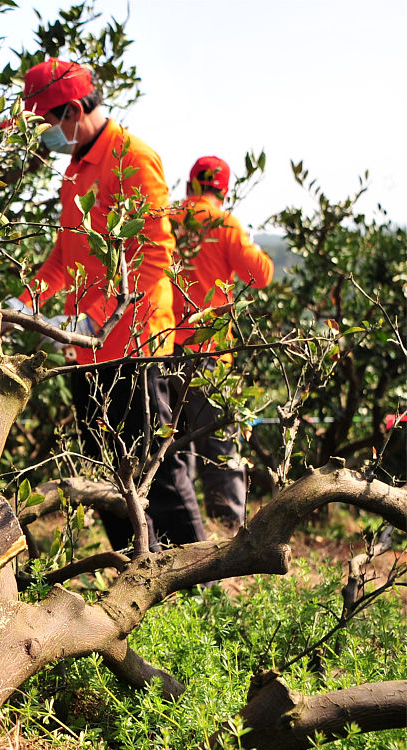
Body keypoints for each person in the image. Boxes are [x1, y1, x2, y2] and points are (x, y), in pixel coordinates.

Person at [18, 58, 205, 551]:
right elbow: (64, 253)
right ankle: (135, 567)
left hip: (134, 342)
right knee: (106, 466)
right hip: (91, 348)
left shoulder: (132, 157)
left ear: (74, 110)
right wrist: (24, 302)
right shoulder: (75, 170)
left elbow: (154, 254)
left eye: (44, 124)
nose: (43, 137)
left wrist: (95, 317)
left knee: (151, 468)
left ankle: (198, 585)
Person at [170, 155, 274, 532]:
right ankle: (229, 534)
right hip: (209, 352)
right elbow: (260, 275)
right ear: (223, 191)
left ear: (188, 185)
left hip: (161, 347)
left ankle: (179, 531)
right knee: (221, 445)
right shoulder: (224, 223)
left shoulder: (167, 215)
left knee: (172, 447)